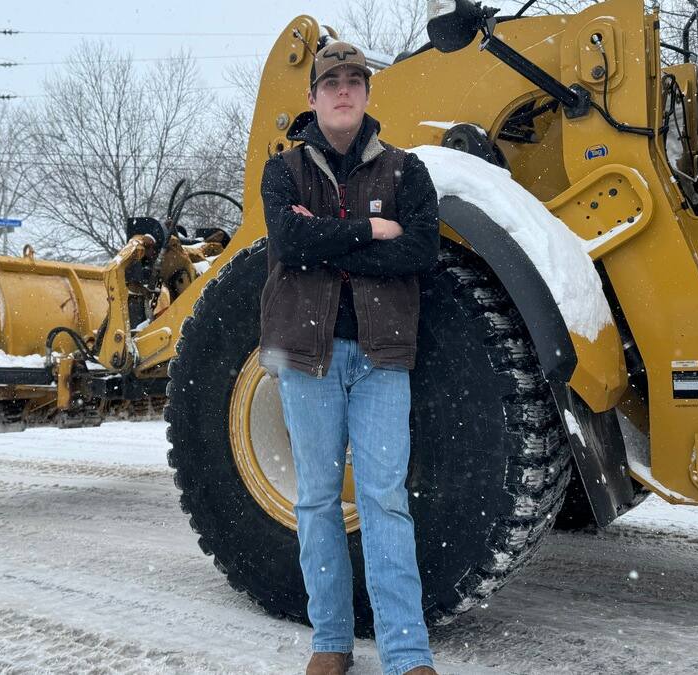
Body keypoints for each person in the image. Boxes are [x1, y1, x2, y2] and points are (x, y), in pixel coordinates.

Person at [258, 40, 440, 675]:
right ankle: (330, 642)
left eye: (354, 81)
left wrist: (326, 242)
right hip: (305, 354)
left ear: (367, 94)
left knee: (386, 499)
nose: (343, 90)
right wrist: (370, 230)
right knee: (315, 499)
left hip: (381, 354)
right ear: (311, 97)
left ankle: (406, 654)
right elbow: (287, 239)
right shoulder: (284, 172)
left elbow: (419, 251)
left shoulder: (406, 171)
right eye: (330, 80)